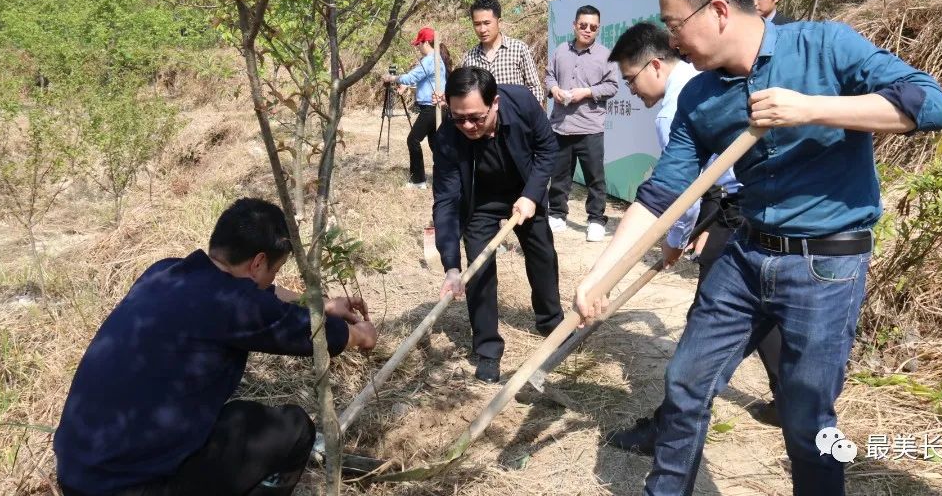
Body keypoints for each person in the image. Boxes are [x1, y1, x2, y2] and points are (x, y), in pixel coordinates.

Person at [574, 0, 942, 495]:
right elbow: (661, 196)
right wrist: (599, 274)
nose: (672, 40)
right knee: (685, 383)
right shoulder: (700, 97)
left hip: (826, 265)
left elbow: (933, 104)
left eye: (676, 24)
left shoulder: (826, 46)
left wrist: (812, 108)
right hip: (745, 255)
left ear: (719, 11)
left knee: (807, 419)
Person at [54, 198, 378, 496]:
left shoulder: (163, 272)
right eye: (275, 270)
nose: (273, 279)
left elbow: (267, 295)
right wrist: (358, 334)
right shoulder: (233, 306)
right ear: (258, 263)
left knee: (239, 416)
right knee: (293, 431)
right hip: (133, 488)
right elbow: (314, 334)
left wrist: (320, 303)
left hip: (77, 472)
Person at [600, 21, 783, 459]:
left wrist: (672, 241)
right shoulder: (701, 84)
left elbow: (677, 193)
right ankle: (794, 399)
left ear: (655, 65)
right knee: (761, 306)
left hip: (738, 207)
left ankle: (670, 426)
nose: (631, 91)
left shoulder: (674, 108)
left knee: (710, 318)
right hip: (752, 204)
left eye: (631, 79)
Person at [432, 66, 564, 383]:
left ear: (495, 103)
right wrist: (451, 265)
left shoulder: (521, 102)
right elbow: (447, 202)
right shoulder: (448, 137)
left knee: (542, 253)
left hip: (523, 189)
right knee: (478, 268)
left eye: (475, 117)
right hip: (480, 201)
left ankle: (551, 322)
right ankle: (488, 350)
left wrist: (532, 194)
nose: (467, 125)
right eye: (458, 116)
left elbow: (547, 148)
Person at [544, 4, 621, 243]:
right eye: (583, 25)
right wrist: (554, 89)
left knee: (595, 178)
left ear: (598, 29)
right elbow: (549, 75)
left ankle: (596, 219)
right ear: (574, 25)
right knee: (560, 175)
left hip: (590, 127)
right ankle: (557, 213)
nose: (587, 30)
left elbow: (612, 86)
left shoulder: (605, 55)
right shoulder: (560, 51)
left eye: (593, 27)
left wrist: (586, 92)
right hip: (561, 125)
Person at [381, 26, 452, 189]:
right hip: (437, 108)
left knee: (413, 140)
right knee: (436, 144)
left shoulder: (429, 60)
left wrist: (393, 77)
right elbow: (422, 80)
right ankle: (446, 177)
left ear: (426, 42)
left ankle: (418, 179)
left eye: (419, 44)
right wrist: (406, 85)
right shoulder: (436, 59)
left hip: (431, 108)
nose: (418, 47)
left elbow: (412, 76)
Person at [461, 0, 545, 107]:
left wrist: (530, 115)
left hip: (517, 120)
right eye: (477, 24)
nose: (482, 29)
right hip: (484, 122)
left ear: (499, 22)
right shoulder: (469, 58)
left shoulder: (518, 49)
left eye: (487, 23)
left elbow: (534, 87)